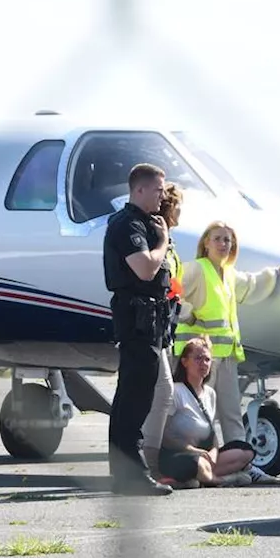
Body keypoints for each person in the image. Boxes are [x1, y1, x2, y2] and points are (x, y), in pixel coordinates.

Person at [173, 221, 280, 450]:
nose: (223, 244)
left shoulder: (228, 274)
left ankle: (240, 461)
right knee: (199, 412)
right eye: (217, 238)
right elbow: (174, 294)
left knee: (231, 413)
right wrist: (189, 316)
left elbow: (251, 284)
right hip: (198, 358)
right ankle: (203, 461)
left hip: (226, 355)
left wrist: (278, 273)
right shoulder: (197, 268)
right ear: (206, 243)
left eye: (227, 240)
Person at [102, 162, 176, 496]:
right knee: (134, 397)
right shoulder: (127, 224)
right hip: (136, 317)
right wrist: (162, 240)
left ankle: (127, 473)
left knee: (142, 394)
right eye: (158, 189)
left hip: (150, 318)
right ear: (140, 189)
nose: (163, 195)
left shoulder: (145, 222)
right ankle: (129, 474)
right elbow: (145, 269)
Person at [160, 335, 257, 488]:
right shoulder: (176, 391)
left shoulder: (210, 393)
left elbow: (212, 436)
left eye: (207, 359)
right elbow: (164, 436)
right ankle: (222, 480)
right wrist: (192, 450)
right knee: (196, 464)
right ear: (184, 362)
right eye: (198, 358)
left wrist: (213, 453)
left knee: (246, 451)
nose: (203, 364)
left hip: (204, 456)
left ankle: (202, 477)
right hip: (179, 455)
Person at [137, 181, 184, 483]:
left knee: (160, 393)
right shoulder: (158, 237)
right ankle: (148, 462)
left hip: (166, 324)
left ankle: (151, 457)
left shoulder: (170, 241)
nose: (182, 212)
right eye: (179, 206)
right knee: (162, 391)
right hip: (152, 323)